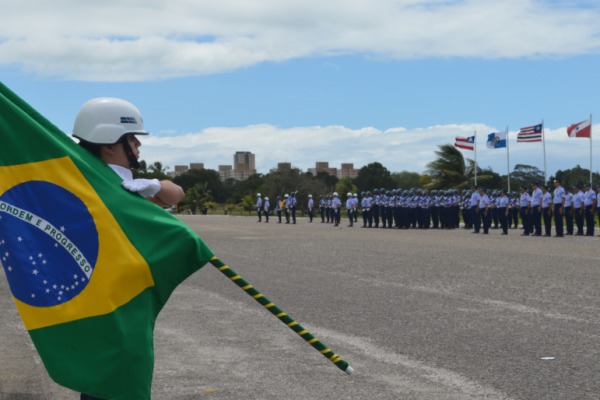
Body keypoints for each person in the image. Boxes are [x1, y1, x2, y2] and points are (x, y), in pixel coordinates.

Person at [73, 97, 185, 400]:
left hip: (121, 300)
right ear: (109, 145)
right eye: (131, 139)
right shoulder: (83, 186)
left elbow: (176, 195)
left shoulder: (129, 185)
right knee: (113, 378)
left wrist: (155, 186)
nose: (137, 145)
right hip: (106, 300)